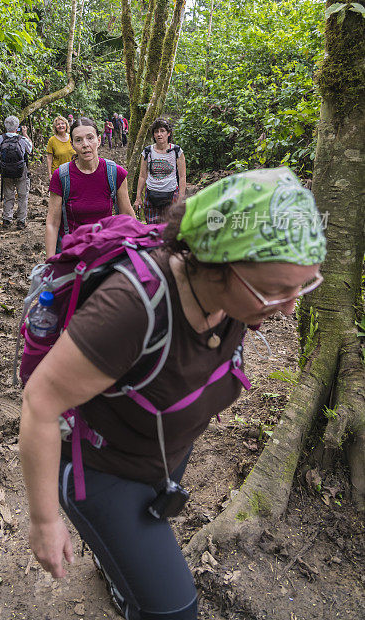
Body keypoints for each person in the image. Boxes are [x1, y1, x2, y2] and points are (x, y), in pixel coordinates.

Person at [20, 167, 326, 619]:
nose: (289, 306)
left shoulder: (238, 300)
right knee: (176, 610)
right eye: (276, 290)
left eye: (302, 285)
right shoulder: (132, 308)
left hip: (157, 457)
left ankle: (118, 570)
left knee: (140, 576)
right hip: (103, 471)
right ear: (218, 263)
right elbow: (40, 404)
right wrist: (44, 522)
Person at [44, 117, 136, 257]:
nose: (85, 144)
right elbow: (52, 222)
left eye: (90, 138)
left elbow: (127, 215)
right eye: (79, 140)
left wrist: (136, 253)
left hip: (104, 249)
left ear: (98, 140)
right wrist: (50, 263)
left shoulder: (115, 173)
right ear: (72, 144)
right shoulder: (62, 176)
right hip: (71, 251)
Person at [135, 118, 187, 224]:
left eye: (162, 131)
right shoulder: (147, 151)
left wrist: (181, 197)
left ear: (168, 133)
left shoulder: (177, 151)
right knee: (152, 228)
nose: (159, 134)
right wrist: (138, 198)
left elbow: (182, 176)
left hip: (171, 194)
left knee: (169, 228)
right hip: (151, 194)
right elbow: (142, 176)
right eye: (156, 132)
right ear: (153, 135)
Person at [0, 115, 33, 230]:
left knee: (8, 195)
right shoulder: (22, 139)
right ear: (17, 127)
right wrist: (25, 133)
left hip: (6, 171)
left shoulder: (0, 138)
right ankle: (21, 221)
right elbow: (30, 150)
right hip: (21, 171)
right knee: (22, 196)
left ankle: (7, 220)